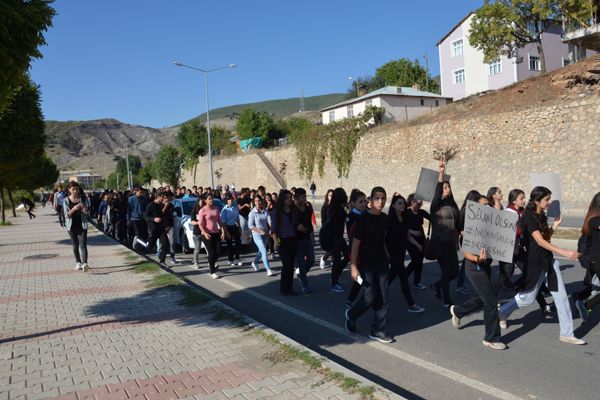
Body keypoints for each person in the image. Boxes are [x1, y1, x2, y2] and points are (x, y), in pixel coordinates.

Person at [498, 186, 585, 345]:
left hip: (549, 261)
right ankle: (502, 312)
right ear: (537, 200)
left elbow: (546, 237)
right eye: (547, 199)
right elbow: (539, 241)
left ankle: (567, 333)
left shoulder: (542, 215)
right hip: (535, 264)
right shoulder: (529, 217)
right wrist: (564, 252)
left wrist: (555, 225)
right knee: (527, 299)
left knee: (562, 297)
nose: (550, 202)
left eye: (550, 199)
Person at [449, 193, 507, 350]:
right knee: (491, 301)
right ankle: (492, 338)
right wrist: (478, 260)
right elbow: (467, 255)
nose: (487, 208)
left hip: (485, 265)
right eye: (484, 205)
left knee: (482, 299)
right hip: (474, 268)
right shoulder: (470, 228)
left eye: (488, 205)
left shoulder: (488, 225)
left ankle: (458, 311)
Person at [345, 186, 393, 343]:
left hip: (382, 264)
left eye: (383, 198)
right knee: (369, 297)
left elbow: (382, 240)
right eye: (377, 198)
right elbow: (355, 245)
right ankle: (352, 315)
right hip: (366, 265)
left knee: (383, 298)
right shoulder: (363, 219)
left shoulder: (385, 219)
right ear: (371, 201)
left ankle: (378, 330)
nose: (381, 201)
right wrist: (353, 266)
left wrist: (387, 255)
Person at [386, 193, 425, 313]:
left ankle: (377, 291)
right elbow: (383, 238)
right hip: (393, 253)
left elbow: (406, 234)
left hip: (401, 251)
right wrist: (386, 255)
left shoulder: (404, 219)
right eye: (399, 203)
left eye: (403, 203)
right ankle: (411, 304)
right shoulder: (389, 220)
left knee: (391, 276)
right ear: (393, 205)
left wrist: (417, 244)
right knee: (403, 278)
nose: (402, 205)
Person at [430, 159, 460, 308]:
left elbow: (458, 222)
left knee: (455, 272)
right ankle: (447, 301)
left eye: (448, 187)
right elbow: (437, 192)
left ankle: (436, 286)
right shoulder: (436, 205)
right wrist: (441, 174)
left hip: (451, 243)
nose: (447, 189)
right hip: (440, 243)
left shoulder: (453, 205)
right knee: (447, 272)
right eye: (445, 188)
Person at [575, 192, 600, 322]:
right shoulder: (594, 220)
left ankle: (579, 299)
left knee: (594, 287)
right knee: (593, 287)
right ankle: (585, 305)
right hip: (597, 260)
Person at [271, 190, 299, 295]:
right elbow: (273, 229)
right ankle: (283, 288)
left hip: (293, 239)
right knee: (286, 264)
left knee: (291, 265)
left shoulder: (293, 210)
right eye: (287, 198)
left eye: (290, 197)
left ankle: (289, 288)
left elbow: (296, 224)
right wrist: (275, 242)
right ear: (283, 199)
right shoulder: (276, 212)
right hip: (282, 240)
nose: (290, 199)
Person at [346, 189, 368, 308]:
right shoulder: (352, 217)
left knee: (364, 277)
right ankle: (352, 299)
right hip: (357, 252)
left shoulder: (366, 214)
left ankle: (352, 298)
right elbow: (353, 235)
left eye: (365, 201)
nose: (364, 204)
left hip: (367, 251)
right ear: (354, 203)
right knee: (361, 277)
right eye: (361, 201)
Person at [199, 193, 228, 279]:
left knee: (218, 251)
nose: (211, 200)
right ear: (205, 201)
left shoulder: (216, 208)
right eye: (209, 199)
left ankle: (211, 262)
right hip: (207, 234)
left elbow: (220, 221)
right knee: (211, 253)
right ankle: (213, 272)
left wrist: (223, 232)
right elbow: (200, 224)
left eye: (212, 198)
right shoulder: (202, 210)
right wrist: (204, 233)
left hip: (216, 232)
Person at [135, 192, 169, 265]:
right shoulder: (151, 205)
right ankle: (138, 240)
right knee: (149, 247)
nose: (163, 198)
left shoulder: (160, 205)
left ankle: (162, 261)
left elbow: (161, 215)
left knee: (165, 244)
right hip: (153, 229)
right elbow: (145, 216)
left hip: (161, 228)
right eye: (162, 197)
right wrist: (154, 219)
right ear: (158, 197)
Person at [63, 181, 91, 272]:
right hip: (71, 226)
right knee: (75, 245)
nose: (75, 191)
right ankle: (78, 262)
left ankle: (85, 263)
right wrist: (74, 209)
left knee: (83, 245)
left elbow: (87, 213)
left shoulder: (83, 198)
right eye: (73, 189)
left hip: (82, 225)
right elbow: (66, 215)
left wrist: (83, 208)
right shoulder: (66, 200)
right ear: (69, 190)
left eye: (77, 189)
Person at [294, 188, 316, 294]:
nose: (305, 199)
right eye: (303, 197)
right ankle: (304, 285)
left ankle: (300, 274)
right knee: (301, 264)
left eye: (305, 196)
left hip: (307, 238)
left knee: (311, 260)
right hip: (297, 240)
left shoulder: (308, 208)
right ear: (297, 198)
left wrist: (313, 237)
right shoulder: (293, 210)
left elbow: (309, 224)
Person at [406, 193, 430, 290]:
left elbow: (433, 218)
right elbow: (402, 227)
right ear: (412, 201)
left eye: (421, 204)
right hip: (409, 240)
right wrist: (413, 232)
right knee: (415, 259)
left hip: (421, 239)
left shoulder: (421, 212)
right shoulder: (406, 213)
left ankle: (417, 282)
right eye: (418, 203)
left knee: (419, 261)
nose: (420, 205)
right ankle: (405, 275)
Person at [329, 188, 349, 293]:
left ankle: (335, 276)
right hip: (335, 238)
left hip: (338, 237)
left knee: (346, 256)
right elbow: (348, 218)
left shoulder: (333, 207)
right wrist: (348, 209)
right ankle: (334, 282)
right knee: (337, 260)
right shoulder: (338, 209)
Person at [248, 195, 273, 276]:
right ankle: (268, 269)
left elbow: (270, 221)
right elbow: (250, 225)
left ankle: (254, 263)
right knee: (264, 251)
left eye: (259, 201)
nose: (258, 202)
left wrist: (271, 229)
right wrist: (259, 231)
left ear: (262, 202)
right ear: (254, 202)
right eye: (256, 201)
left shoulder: (265, 211)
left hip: (265, 234)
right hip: (257, 235)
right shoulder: (252, 213)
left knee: (261, 251)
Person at [221, 194, 242, 266]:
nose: (230, 201)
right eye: (229, 199)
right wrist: (225, 232)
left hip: (234, 226)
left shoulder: (235, 208)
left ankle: (237, 258)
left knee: (238, 242)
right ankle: (230, 259)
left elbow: (237, 219)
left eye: (231, 199)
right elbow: (223, 222)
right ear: (226, 201)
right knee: (229, 244)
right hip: (227, 227)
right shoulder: (224, 209)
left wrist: (239, 228)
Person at [161, 192, 178, 265]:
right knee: (163, 242)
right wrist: (165, 206)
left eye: (167, 198)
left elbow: (173, 213)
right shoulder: (160, 205)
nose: (166, 199)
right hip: (162, 226)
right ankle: (160, 254)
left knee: (172, 241)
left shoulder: (171, 205)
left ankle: (172, 256)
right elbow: (161, 213)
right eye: (164, 198)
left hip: (170, 225)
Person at [190, 197, 206, 270]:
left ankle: (212, 262)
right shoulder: (194, 211)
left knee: (209, 249)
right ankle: (195, 262)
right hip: (197, 232)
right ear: (198, 202)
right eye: (200, 202)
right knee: (197, 249)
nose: (202, 203)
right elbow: (192, 222)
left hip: (205, 232)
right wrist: (198, 222)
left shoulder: (206, 210)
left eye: (203, 202)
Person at [320, 189, 334, 268]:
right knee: (332, 248)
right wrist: (326, 231)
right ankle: (324, 258)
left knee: (335, 247)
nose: (331, 197)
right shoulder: (325, 207)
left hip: (335, 230)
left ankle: (333, 262)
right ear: (327, 196)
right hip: (327, 231)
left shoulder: (336, 207)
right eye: (330, 195)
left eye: (333, 195)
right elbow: (323, 220)